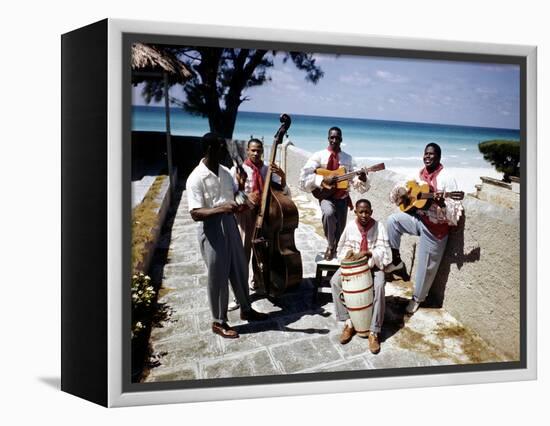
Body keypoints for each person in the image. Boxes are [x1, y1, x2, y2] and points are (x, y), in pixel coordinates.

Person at [186, 132, 268, 339]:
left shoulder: (224, 172)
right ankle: (219, 321)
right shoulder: (196, 178)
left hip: (230, 224)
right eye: (222, 146)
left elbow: (235, 195)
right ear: (211, 149)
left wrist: (245, 198)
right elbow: (195, 213)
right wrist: (222, 208)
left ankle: (246, 308)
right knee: (218, 276)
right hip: (212, 230)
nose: (226, 150)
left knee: (239, 268)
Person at [385, 142, 463, 315]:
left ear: (439, 157)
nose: (428, 156)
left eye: (432, 154)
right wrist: (403, 193)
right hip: (419, 219)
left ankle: (417, 299)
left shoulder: (447, 178)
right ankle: (397, 261)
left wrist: (442, 203)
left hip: (436, 229)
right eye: (426, 153)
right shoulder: (418, 174)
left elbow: (454, 214)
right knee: (392, 221)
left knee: (425, 266)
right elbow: (398, 191)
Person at [329, 199, 392, 354]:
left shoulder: (379, 227)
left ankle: (374, 331)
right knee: (335, 281)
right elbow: (342, 247)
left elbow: (385, 251)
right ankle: (349, 322)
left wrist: (369, 253)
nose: (364, 215)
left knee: (378, 286)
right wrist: (349, 255)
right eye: (360, 212)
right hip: (354, 267)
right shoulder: (351, 227)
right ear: (355, 212)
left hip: (373, 265)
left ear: (371, 211)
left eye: (367, 212)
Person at [299, 127, 369, 260]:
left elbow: (355, 180)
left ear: (341, 139)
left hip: (342, 198)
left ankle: (335, 254)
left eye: (337, 138)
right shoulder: (318, 156)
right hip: (325, 196)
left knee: (339, 230)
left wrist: (362, 179)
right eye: (332, 137)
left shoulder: (348, 159)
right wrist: (322, 179)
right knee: (329, 214)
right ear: (328, 138)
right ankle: (330, 246)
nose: (334, 140)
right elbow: (303, 176)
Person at [231, 138, 289, 289]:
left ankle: (257, 281)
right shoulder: (238, 169)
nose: (256, 153)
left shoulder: (267, 170)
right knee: (244, 252)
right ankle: (240, 290)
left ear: (263, 152)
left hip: (264, 215)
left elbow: (282, 191)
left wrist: (282, 176)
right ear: (247, 151)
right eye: (253, 150)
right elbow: (232, 195)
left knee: (261, 251)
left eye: (259, 150)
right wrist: (246, 198)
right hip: (246, 214)